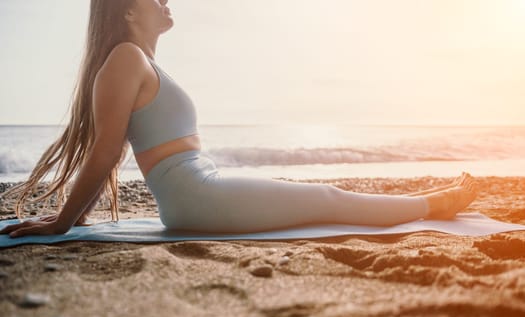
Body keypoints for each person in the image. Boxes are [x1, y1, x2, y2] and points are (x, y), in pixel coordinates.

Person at [0, 0, 478, 238]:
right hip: (194, 195)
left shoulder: (138, 61)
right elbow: (106, 148)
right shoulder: (126, 58)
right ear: (127, 11)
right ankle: (435, 204)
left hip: (202, 185)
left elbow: (115, 145)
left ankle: (429, 202)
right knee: (327, 197)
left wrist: (75, 216)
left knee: (316, 198)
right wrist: (64, 222)